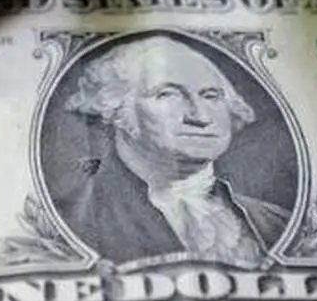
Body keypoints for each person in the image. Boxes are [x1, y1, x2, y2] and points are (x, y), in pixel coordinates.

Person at [56, 33, 292, 267]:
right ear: (114, 108)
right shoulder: (68, 223)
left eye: (211, 96)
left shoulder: (277, 223)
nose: (200, 116)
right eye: (167, 94)